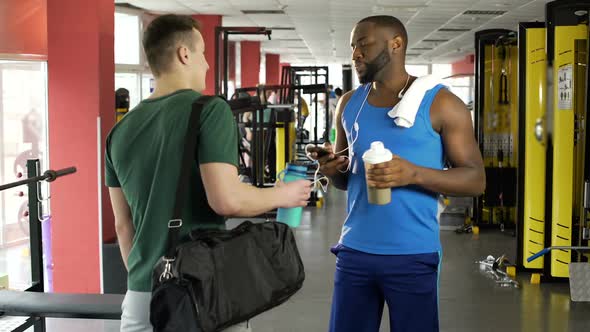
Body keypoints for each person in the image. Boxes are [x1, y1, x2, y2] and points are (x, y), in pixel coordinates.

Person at [105, 14, 311, 332]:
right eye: (201, 53)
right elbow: (226, 200)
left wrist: (146, 277)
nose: (207, 65)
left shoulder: (119, 132)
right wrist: (285, 194)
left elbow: (123, 225)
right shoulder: (208, 109)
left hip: (140, 295)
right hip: (200, 293)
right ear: (184, 55)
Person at [308, 15, 485, 332]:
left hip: (412, 255)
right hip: (354, 252)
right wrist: (332, 169)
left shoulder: (441, 103)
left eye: (363, 43)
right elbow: (347, 181)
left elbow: (475, 180)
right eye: (352, 46)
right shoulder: (350, 104)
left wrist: (414, 174)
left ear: (397, 43)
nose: (355, 54)